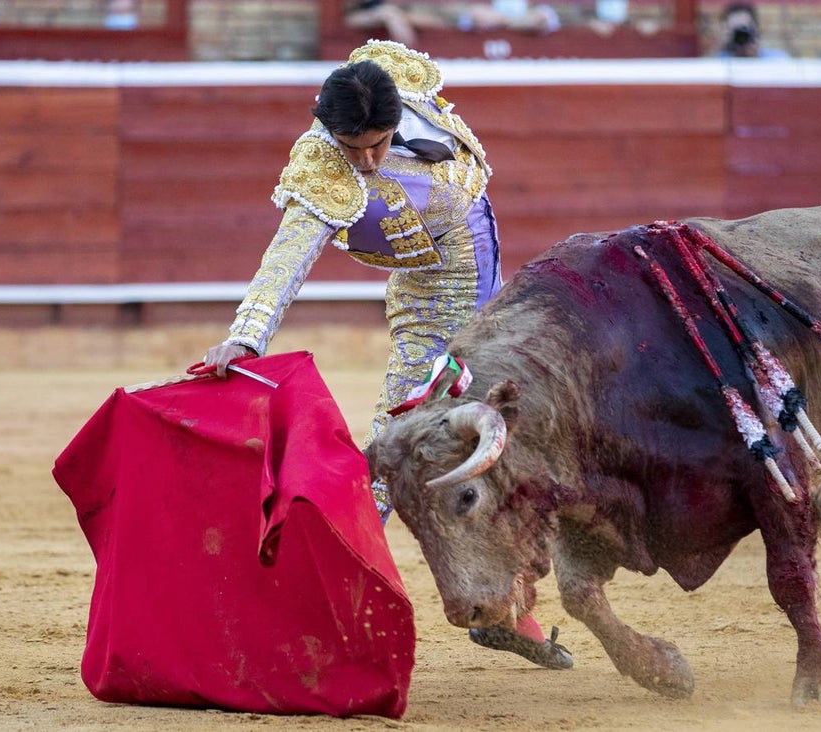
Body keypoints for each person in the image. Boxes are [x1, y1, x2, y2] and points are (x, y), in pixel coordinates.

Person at [202, 40, 573, 671]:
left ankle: (510, 610)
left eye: (380, 142)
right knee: (390, 461)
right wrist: (248, 336)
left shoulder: (395, 77)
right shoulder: (322, 169)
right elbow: (285, 259)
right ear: (328, 131)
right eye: (357, 148)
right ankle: (291, 608)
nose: (370, 159)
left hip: (491, 297)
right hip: (435, 309)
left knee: (512, 442)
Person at [343, 0, 446, 47]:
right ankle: (406, 48)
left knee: (392, 14)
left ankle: (407, 48)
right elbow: (347, 16)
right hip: (359, 17)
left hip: (386, 14)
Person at [716, 2, 790, 59]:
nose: (741, 36)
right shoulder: (716, 63)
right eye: (736, 31)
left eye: (745, 30)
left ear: (756, 29)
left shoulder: (777, 59)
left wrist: (755, 57)